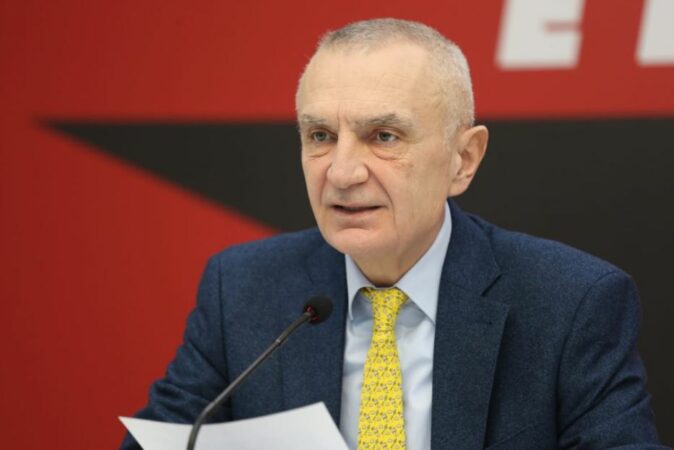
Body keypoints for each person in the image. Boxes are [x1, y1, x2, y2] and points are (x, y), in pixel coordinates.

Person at [121, 18, 666, 449]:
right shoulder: (243, 289)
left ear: (463, 159)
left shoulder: (571, 304)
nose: (341, 173)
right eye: (320, 136)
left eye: (383, 136)